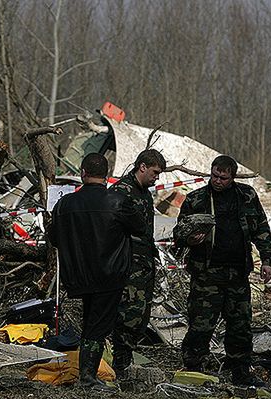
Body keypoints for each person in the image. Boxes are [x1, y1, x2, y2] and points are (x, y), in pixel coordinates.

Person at [174, 155, 271, 386]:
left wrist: (268, 260)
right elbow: (178, 234)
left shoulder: (246, 196)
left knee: (240, 326)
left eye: (223, 177)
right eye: (214, 176)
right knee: (201, 325)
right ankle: (193, 367)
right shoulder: (197, 199)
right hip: (206, 275)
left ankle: (240, 370)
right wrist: (190, 239)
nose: (217, 181)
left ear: (232, 177)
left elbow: (261, 229)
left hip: (237, 274)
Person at [49, 153, 145, 390]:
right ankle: (88, 377)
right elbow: (141, 227)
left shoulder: (64, 204)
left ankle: (88, 373)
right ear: (107, 175)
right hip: (109, 274)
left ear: (83, 173)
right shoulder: (118, 201)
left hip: (78, 275)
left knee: (91, 323)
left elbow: (53, 237)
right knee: (97, 328)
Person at [109, 149, 166, 377]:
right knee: (127, 315)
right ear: (142, 167)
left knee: (139, 315)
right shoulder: (121, 192)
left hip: (143, 265)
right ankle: (120, 363)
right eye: (155, 172)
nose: (157, 177)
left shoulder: (145, 193)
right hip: (127, 265)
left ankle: (125, 360)